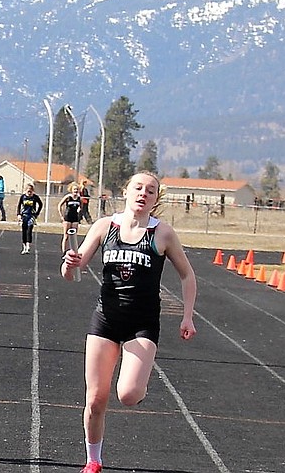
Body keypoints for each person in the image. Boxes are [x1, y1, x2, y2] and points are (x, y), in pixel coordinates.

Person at [61, 172, 197, 473]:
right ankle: (93, 460)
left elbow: (187, 275)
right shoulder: (104, 226)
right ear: (126, 191)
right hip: (106, 320)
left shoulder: (162, 233)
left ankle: (139, 375)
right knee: (95, 399)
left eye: (150, 191)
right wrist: (69, 264)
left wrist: (188, 315)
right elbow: (73, 271)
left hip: (142, 323)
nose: (143, 194)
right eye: (138, 188)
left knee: (129, 395)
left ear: (155, 199)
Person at [17, 182, 43, 254]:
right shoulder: (23, 197)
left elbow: (40, 204)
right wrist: (18, 214)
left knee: (29, 230)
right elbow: (19, 205)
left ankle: (28, 246)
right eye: (28, 190)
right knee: (24, 231)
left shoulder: (35, 197)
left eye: (30, 190)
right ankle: (24, 246)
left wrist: (37, 213)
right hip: (24, 216)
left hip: (31, 215)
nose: (29, 191)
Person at [59, 182, 84, 253]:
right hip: (67, 218)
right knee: (66, 236)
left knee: (73, 236)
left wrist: (79, 211)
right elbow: (59, 205)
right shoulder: (68, 197)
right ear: (71, 190)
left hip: (75, 218)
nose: (76, 191)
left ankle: (73, 251)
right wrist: (61, 215)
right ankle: (64, 252)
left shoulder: (79, 198)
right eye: (74, 189)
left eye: (77, 189)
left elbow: (81, 207)